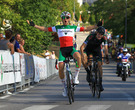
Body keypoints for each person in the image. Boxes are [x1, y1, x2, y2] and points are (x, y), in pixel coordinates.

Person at [27, 11, 97, 97]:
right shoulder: (57, 27)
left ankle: (75, 78)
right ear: (61, 19)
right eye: (63, 18)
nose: (65, 19)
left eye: (67, 18)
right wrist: (34, 25)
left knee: (79, 57)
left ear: (69, 19)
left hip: (71, 49)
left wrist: (96, 26)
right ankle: (64, 87)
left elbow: (86, 29)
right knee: (60, 68)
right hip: (63, 50)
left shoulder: (73, 27)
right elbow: (45, 29)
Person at [80, 26, 109, 92]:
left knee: (99, 65)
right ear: (96, 32)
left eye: (101, 34)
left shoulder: (104, 37)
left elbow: (106, 48)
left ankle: (100, 82)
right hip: (89, 50)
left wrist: (107, 57)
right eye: (98, 33)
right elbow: (82, 46)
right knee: (87, 59)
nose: (100, 35)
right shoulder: (91, 36)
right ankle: (88, 72)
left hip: (97, 51)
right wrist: (82, 55)